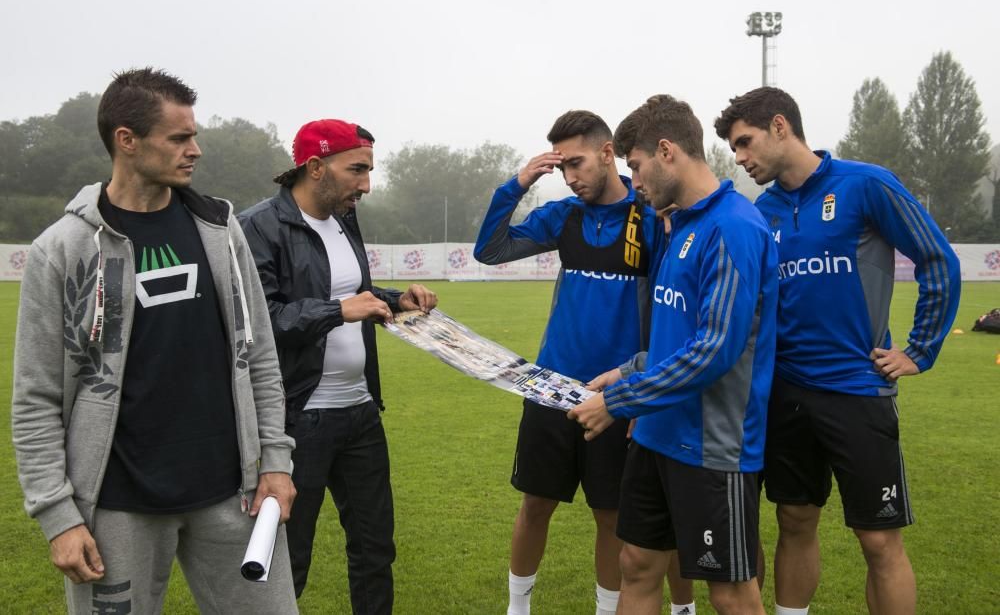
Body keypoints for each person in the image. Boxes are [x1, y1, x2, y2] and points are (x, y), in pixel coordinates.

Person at [11, 68, 297, 614]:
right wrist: (58, 517)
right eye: (179, 138)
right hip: (117, 506)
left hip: (233, 493)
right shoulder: (63, 249)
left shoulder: (218, 227)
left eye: (194, 135)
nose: (196, 149)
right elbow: (36, 399)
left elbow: (257, 354)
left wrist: (276, 461)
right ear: (127, 140)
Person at [713, 87, 961, 615]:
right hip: (787, 393)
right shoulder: (765, 209)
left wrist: (919, 349)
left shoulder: (865, 184)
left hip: (857, 390)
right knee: (794, 521)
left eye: (744, 143)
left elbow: (937, 259)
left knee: (878, 541)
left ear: (780, 126)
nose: (740, 159)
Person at [570, 94, 777, 615]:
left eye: (635, 167)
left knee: (729, 591)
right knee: (637, 565)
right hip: (656, 435)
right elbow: (675, 338)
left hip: (711, 447)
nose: (632, 182)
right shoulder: (678, 223)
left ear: (666, 152)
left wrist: (620, 401)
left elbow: (713, 351)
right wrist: (624, 371)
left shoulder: (734, 227)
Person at [474, 110, 670, 615]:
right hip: (548, 387)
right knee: (535, 504)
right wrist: (518, 184)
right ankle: (518, 609)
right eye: (562, 168)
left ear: (608, 153)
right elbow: (490, 250)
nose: (570, 177)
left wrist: (644, 389)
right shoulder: (564, 216)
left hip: (615, 395)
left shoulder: (649, 217)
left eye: (577, 163)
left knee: (611, 515)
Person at [238, 119, 437, 614]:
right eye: (357, 170)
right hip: (296, 420)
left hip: (361, 413)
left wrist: (397, 299)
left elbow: (347, 293)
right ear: (315, 167)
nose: (366, 185)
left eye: (369, 170)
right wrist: (339, 311)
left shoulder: (344, 217)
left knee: (375, 550)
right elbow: (260, 321)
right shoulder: (256, 226)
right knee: (290, 559)